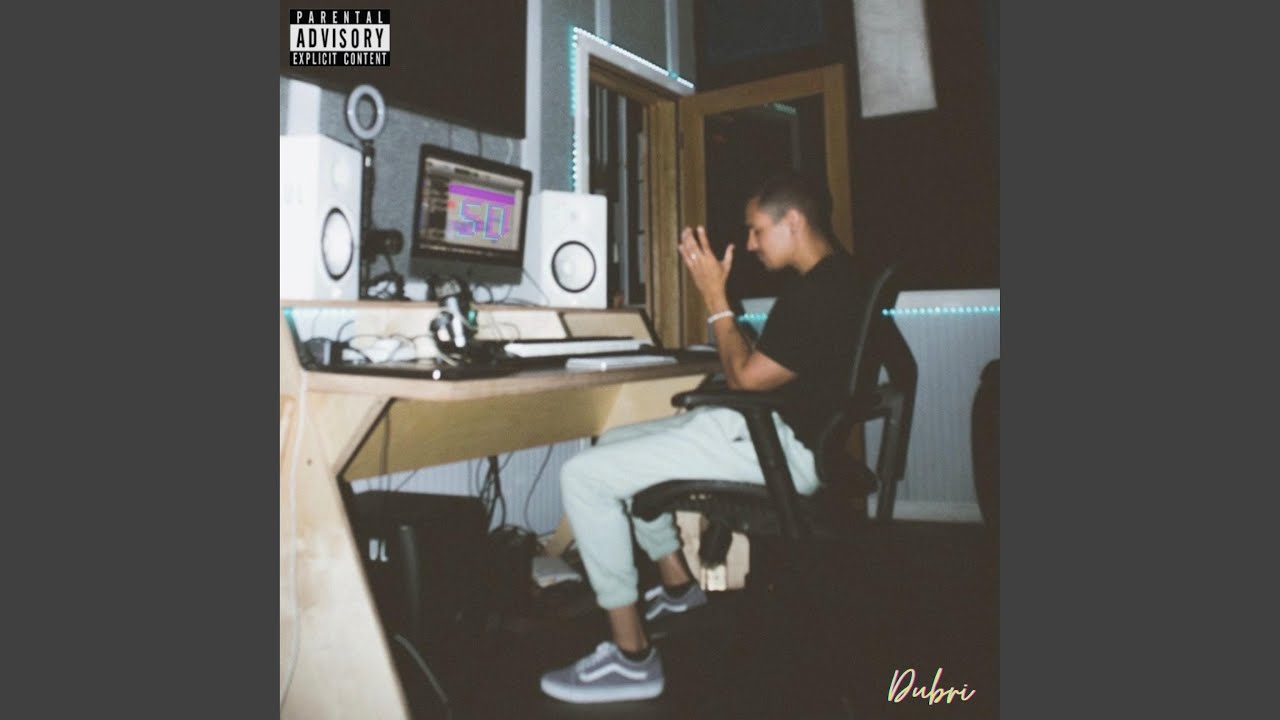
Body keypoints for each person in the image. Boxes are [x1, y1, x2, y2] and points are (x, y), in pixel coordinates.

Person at [539, 172, 868, 704]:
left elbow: (745, 379)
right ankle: (677, 587)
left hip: (776, 445)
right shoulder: (839, 280)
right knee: (612, 447)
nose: (752, 243)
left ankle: (631, 656)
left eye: (757, 230)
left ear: (793, 221)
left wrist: (715, 296)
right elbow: (778, 367)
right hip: (768, 430)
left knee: (583, 476)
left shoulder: (817, 292)